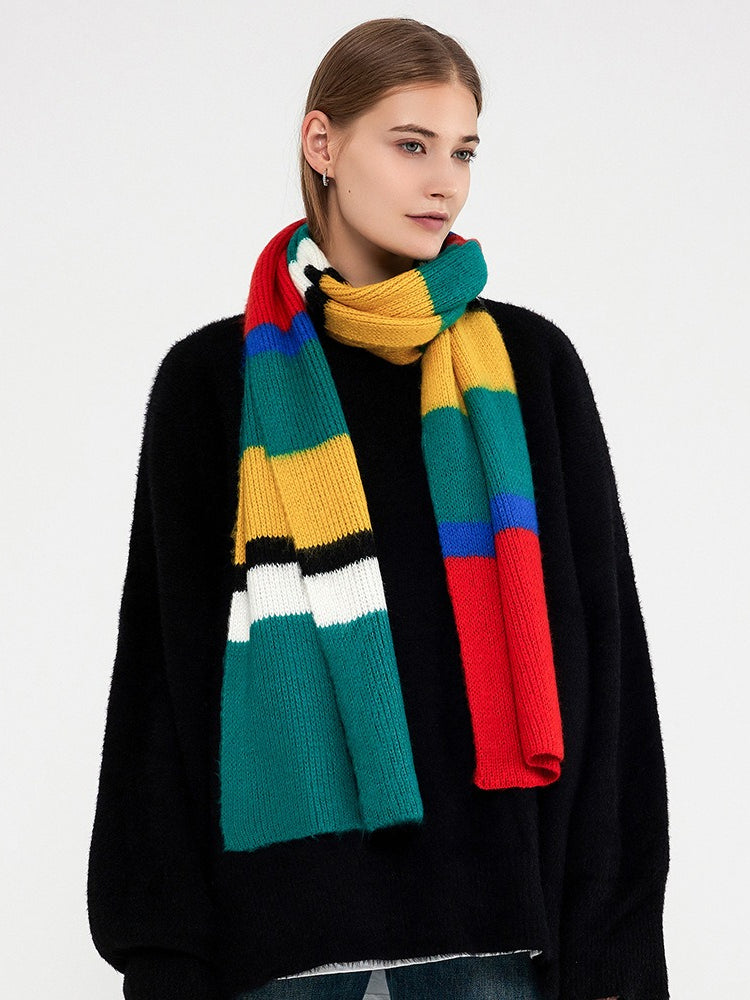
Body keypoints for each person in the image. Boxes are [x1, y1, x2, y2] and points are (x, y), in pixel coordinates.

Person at [87, 17, 669, 1000]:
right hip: (275, 931)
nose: (445, 182)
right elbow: (163, 687)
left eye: (463, 152)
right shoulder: (213, 383)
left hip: (495, 916)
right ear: (323, 143)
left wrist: (615, 947)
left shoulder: (528, 368)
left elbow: (605, 665)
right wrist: (163, 957)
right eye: (411, 145)